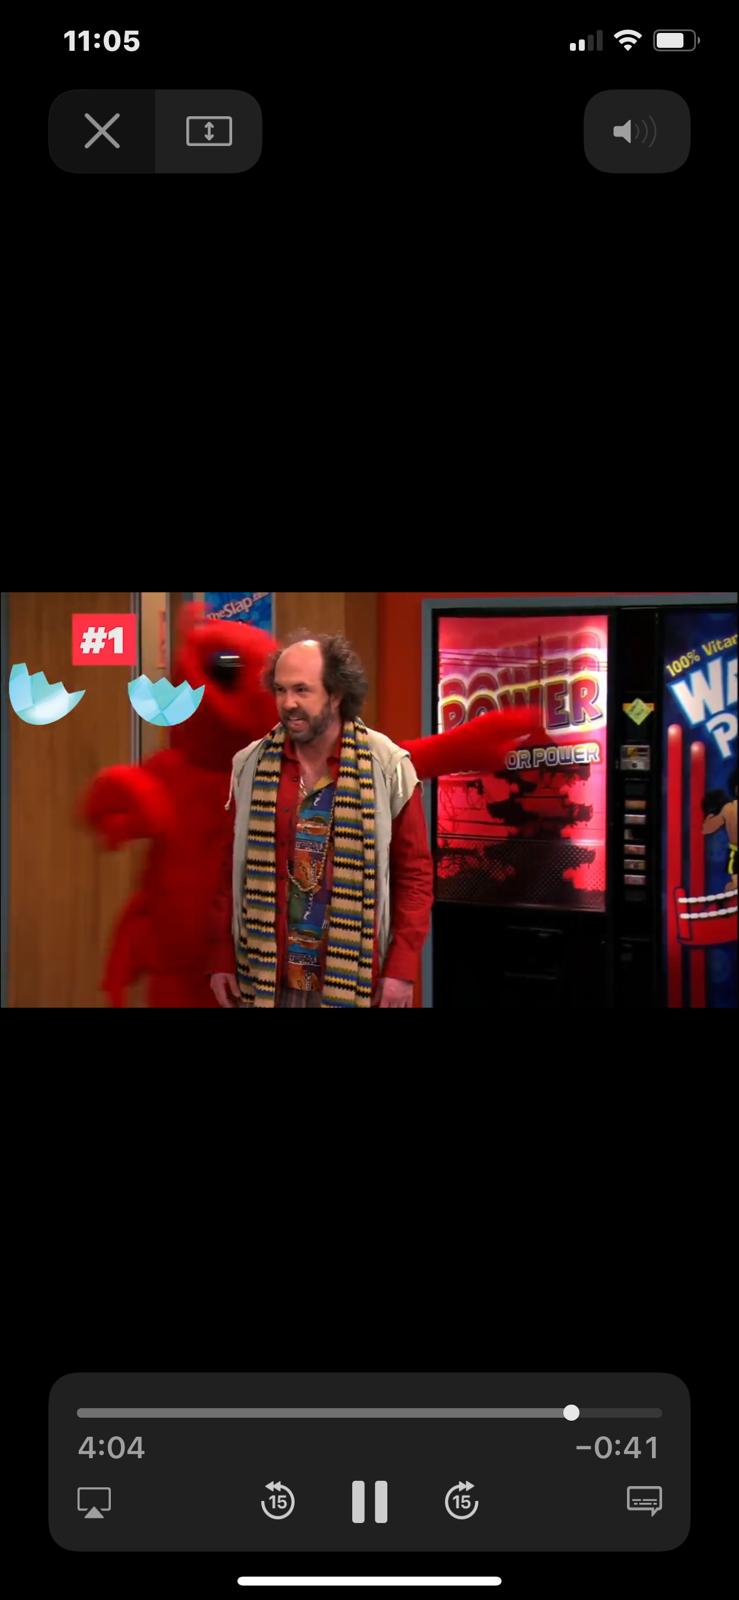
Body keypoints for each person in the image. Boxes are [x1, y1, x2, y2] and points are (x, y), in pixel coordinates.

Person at [207, 631, 434, 1008]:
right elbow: (230, 869)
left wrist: (401, 968)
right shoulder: (250, 764)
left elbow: (414, 876)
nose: (288, 703)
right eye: (280, 690)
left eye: (302, 690)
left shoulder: (388, 766)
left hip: (354, 977)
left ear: (336, 694)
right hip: (265, 975)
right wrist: (220, 956)